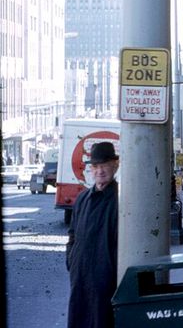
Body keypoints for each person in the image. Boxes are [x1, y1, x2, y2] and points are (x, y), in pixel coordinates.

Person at [66, 141, 119, 328]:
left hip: (107, 279)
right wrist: (72, 261)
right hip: (80, 277)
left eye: (104, 165)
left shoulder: (121, 199)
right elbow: (73, 234)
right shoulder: (83, 199)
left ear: (115, 166)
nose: (100, 171)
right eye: (95, 166)